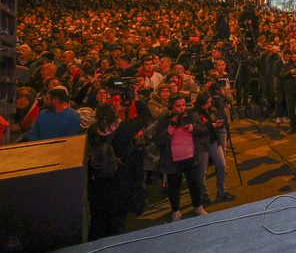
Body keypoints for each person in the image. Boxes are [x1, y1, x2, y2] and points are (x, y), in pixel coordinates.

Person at [86, 102, 149, 240]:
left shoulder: (92, 130)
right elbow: (145, 116)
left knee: (100, 218)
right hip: (120, 176)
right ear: (115, 115)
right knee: (118, 217)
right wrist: (137, 99)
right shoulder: (125, 128)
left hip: (100, 179)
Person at [154, 94, 209, 222]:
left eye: (183, 105)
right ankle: (176, 211)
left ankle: (198, 206)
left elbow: (203, 130)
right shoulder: (165, 120)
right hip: (173, 159)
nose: (181, 108)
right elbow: (158, 140)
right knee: (174, 186)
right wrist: (171, 127)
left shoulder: (191, 116)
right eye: (178, 106)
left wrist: (190, 127)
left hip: (191, 157)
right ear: (171, 107)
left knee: (195, 184)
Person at [192, 93, 235, 204]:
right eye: (207, 103)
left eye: (210, 102)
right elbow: (198, 128)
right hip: (202, 143)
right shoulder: (194, 113)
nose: (209, 104)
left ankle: (221, 191)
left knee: (221, 166)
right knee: (202, 170)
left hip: (214, 141)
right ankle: (204, 193)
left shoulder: (211, 110)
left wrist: (218, 123)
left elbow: (214, 120)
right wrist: (212, 125)